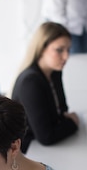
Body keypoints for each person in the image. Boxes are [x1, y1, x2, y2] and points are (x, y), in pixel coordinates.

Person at [11, 22, 79, 152]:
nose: (66, 56)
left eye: (68, 50)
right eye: (59, 50)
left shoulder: (54, 71)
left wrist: (64, 122)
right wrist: (73, 123)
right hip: (28, 151)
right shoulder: (30, 82)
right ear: (42, 48)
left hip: (44, 146)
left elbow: (62, 110)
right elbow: (46, 137)